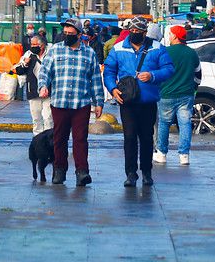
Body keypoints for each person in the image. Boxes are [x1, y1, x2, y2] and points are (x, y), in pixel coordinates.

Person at [104, 17, 174, 187]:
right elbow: (109, 71)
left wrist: (153, 75)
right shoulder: (118, 48)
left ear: (145, 32)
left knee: (146, 137)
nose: (135, 33)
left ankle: (147, 172)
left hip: (148, 101)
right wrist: (113, 89)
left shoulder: (157, 48)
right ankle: (130, 173)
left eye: (139, 31)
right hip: (127, 100)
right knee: (129, 137)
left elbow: (169, 69)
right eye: (132, 31)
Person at [39, 18, 104, 186]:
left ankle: (82, 172)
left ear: (79, 35)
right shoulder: (55, 51)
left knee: (80, 139)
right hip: (59, 102)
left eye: (70, 34)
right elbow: (45, 71)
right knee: (59, 139)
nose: (66, 36)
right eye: (65, 33)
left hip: (81, 103)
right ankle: (59, 171)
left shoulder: (88, 53)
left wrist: (99, 102)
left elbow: (95, 79)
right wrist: (43, 86)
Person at [153, 25, 201, 166]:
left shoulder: (165, 52)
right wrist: (194, 88)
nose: (168, 36)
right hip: (186, 94)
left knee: (164, 123)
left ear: (174, 36)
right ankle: (184, 156)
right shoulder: (192, 53)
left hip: (166, 94)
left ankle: (161, 153)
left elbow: (158, 74)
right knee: (185, 123)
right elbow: (198, 75)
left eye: (170, 34)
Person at [15, 34, 53, 135]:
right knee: (36, 118)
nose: (33, 46)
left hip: (49, 91)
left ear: (42, 45)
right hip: (33, 90)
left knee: (48, 117)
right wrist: (25, 63)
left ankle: (48, 139)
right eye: (32, 44)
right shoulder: (28, 55)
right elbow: (18, 70)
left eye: (35, 44)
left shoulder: (50, 54)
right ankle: (37, 140)